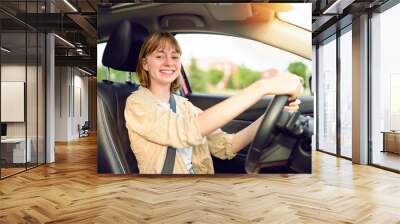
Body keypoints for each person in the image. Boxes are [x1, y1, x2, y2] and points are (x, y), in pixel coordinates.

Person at [124, 32, 303, 174]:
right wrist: (262, 87)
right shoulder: (137, 103)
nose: (169, 62)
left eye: (175, 56)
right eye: (159, 56)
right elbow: (184, 131)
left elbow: (226, 146)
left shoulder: (184, 105)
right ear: (145, 64)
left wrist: (269, 116)